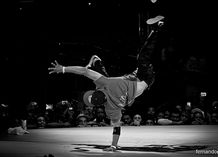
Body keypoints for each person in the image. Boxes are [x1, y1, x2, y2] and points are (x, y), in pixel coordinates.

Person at [48, 15, 165, 151]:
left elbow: (116, 127)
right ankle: (156, 29)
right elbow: (83, 71)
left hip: (135, 77)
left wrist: (114, 146)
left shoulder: (110, 106)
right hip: (145, 79)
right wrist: (62, 69)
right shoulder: (105, 90)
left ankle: (97, 60)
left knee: (140, 59)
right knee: (141, 58)